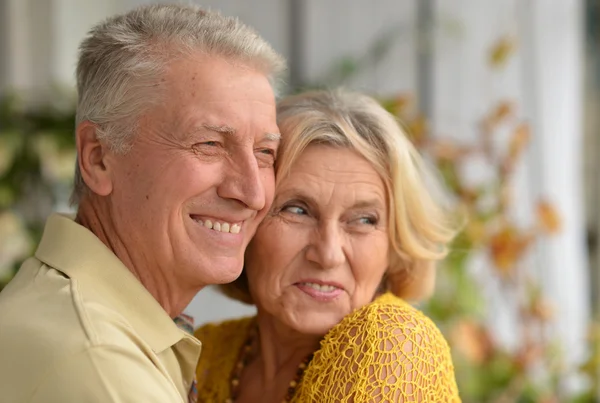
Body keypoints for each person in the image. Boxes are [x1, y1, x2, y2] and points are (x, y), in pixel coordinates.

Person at [0, 3, 285, 402]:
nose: (253, 193)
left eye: (265, 152)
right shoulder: (99, 362)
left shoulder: (78, 317)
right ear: (98, 157)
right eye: (209, 144)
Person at [194, 89, 461, 402]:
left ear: (395, 244)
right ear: (247, 221)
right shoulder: (207, 353)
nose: (328, 254)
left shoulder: (395, 342)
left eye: (363, 220)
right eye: (297, 210)